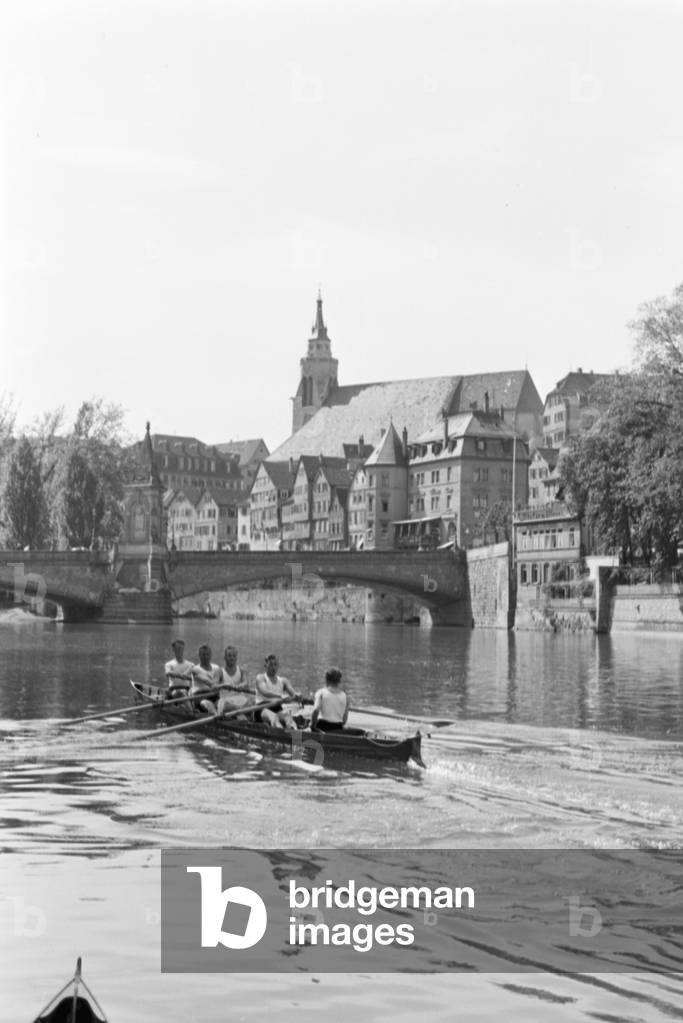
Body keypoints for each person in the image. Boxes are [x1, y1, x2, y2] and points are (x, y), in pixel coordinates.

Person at [254, 654, 300, 730]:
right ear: (265, 665)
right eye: (271, 665)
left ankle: (295, 735)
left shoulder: (283, 680)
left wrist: (297, 696)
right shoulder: (261, 678)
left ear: (278, 666)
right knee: (274, 718)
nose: (273, 667)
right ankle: (282, 736)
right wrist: (281, 696)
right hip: (262, 708)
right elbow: (265, 692)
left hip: (277, 707)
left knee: (288, 717)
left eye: (275, 664)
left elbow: (293, 693)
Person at [216, 645, 252, 717]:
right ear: (225, 657)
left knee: (251, 703)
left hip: (239, 699)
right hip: (226, 700)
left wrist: (240, 685)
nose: (232, 658)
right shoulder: (219, 671)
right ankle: (241, 714)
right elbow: (213, 686)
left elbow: (246, 683)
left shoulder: (241, 671)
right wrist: (224, 685)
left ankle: (239, 714)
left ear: (236, 658)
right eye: (229, 656)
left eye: (234, 656)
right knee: (226, 706)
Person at [311, 667, 350, 731]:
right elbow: (344, 720)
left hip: (322, 726)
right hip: (338, 728)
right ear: (339, 681)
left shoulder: (321, 693)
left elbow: (315, 710)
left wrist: (313, 726)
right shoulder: (346, 697)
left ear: (326, 679)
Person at [190, 644, 223, 713]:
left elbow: (219, 682)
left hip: (214, 696)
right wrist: (224, 685)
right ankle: (217, 716)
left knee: (222, 703)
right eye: (203, 654)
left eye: (207, 654)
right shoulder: (195, 669)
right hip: (199, 697)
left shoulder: (216, 668)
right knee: (207, 703)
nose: (206, 657)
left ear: (211, 655)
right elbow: (207, 681)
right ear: (199, 655)